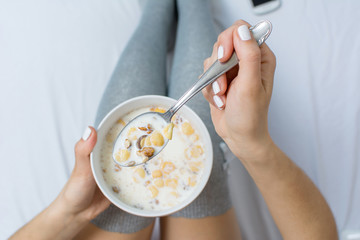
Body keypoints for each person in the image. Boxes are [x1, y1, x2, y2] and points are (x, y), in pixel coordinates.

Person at [10, 0, 338, 239]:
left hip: (106, 204)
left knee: (126, 128)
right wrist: (252, 144)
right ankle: (190, 6)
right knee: (198, 174)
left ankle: (158, 10)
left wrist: (71, 208)